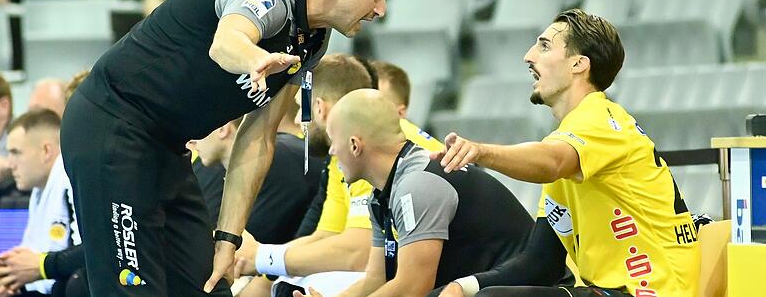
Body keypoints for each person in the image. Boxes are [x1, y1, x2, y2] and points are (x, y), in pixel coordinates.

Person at [60, 0, 397, 296]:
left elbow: (259, 137)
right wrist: (257, 59)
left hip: (165, 144)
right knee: (133, 289)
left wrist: (228, 239)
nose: (379, 9)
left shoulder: (312, 39)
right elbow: (226, 42)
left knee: (209, 286)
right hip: (110, 126)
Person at [433, 9, 700, 297]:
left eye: (544, 46)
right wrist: (463, 286)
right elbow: (541, 263)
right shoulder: (569, 144)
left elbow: (551, 162)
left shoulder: (599, 120)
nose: (528, 55)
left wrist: (481, 152)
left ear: (578, 64)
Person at [290, 89, 534, 297]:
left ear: (355, 145)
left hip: (528, 288)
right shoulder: (382, 194)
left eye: (334, 141)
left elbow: (412, 288)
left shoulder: (417, 186)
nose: (332, 151)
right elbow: (377, 279)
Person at [236, 55, 444, 297]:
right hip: (409, 270)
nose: (295, 120)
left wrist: (263, 258)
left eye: (300, 108)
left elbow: (358, 253)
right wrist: (261, 263)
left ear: (318, 108)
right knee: (280, 281)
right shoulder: (341, 154)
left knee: (291, 286)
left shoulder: (371, 147)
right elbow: (328, 235)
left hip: (448, 278)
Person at [0, 109, 77, 297]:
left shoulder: (68, 181)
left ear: (46, 151)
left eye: (16, 153)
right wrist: (6, 281)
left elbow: (89, 258)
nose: (10, 164)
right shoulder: (39, 190)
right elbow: (34, 264)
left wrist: (37, 269)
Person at [188, 115, 324, 242]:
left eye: (197, 130)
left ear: (223, 129)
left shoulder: (280, 162)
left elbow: (243, 250)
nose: (191, 142)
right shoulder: (218, 167)